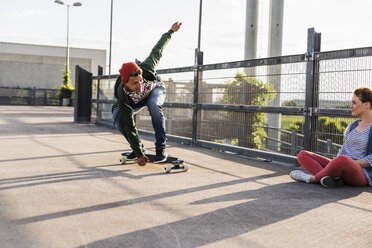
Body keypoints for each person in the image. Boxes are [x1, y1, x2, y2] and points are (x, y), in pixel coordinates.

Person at [112, 22, 182, 166]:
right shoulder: (122, 95)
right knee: (118, 116)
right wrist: (139, 153)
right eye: (135, 83)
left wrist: (171, 31)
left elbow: (158, 49)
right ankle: (139, 148)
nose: (139, 86)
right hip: (135, 101)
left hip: (155, 90)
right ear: (125, 84)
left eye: (140, 81)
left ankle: (161, 149)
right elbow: (130, 126)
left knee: (153, 105)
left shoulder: (148, 66)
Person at [290, 87, 372, 188]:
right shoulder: (352, 125)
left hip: (361, 173)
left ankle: (311, 179)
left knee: (342, 160)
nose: (351, 106)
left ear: (366, 104)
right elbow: (344, 148)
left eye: (354, 103)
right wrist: (335, 164)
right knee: (303, 155)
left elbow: (370, 159)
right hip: (342, 164)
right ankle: (332, 179)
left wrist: (346, 163)